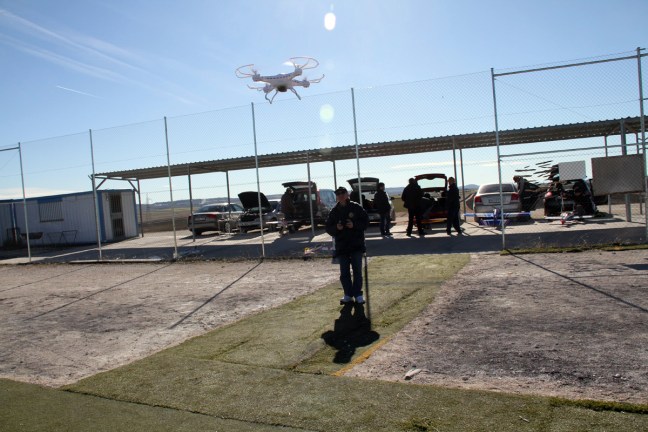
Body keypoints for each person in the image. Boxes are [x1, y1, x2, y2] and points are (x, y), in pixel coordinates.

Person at [325, 186, 369, 304]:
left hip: (356, 245)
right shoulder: (334, 211)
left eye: (343, 193)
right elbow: (328, 228)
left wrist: (354, 225)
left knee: (357, 271)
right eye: (338, 194)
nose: (340, 196)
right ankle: (348, 294)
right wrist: (336, 228)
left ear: (347, 194)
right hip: (342, 246)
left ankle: (358, 294)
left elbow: (365, 222)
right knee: (344, 273)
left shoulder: (356, 207)